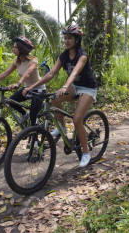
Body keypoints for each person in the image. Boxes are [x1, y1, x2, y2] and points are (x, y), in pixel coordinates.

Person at [22, 25, 97, 168]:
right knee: (54, 98)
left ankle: (86, 153)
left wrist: (64, 87)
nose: (67, 41)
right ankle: (62, 127)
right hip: (75, 86)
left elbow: (74, 73)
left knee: (77, 119)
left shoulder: (82, 56)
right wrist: (32, 86)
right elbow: (51, 74)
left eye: (70, 38)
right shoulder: (63, 56)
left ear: (77, 39)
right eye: (65, 38)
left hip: (88, 87)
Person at [0, 36, 46, 126]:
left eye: (15, 47)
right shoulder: (18, 61)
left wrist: (18, 83)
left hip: (38, 89)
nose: (13, 49)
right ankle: (24, 115)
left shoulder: (33, 60)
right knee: (11, 101)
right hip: (26, 88)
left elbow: (28, 72)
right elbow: (5, 73)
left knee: (33, 117)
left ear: (22, 48)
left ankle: (35, 139)